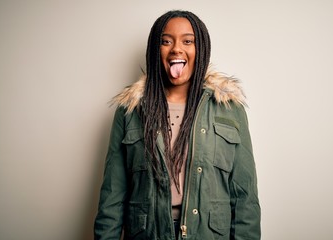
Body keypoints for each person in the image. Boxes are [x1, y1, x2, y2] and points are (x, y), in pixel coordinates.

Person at [94, 10, 260, 240]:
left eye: (188, 41)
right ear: (155, 49)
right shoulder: (130, 111)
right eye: (166, 41)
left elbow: (246, 197)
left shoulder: (229, 109)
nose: (176, 49)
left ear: (200, 48)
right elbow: (112, 196)